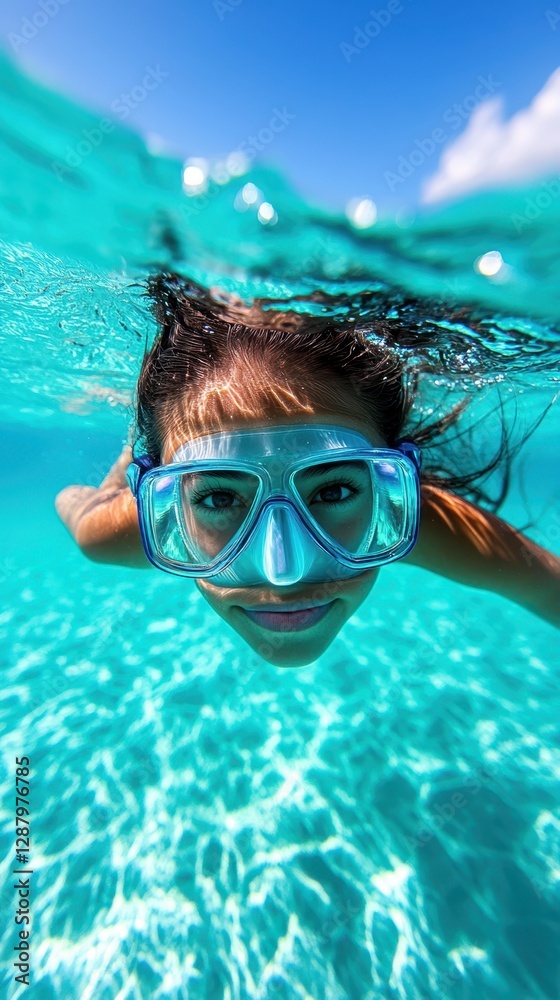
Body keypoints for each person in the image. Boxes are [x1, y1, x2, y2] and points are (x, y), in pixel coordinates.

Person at [55, 273, 560, 667]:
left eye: (336, 490)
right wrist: (113, 488)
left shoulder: (416, 518)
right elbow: (78, 506)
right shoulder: (119, 531)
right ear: (161, 508)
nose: (285, 570)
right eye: (218, 497)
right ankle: (132, 457)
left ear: (391, 488)